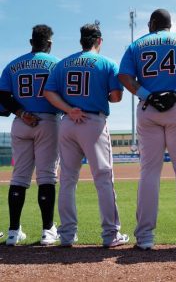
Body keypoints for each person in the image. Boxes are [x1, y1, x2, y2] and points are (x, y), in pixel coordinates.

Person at [118, 9, 176, 250]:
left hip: (148, 107)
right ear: (170, 25)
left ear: (151, 24)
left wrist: (147, 95)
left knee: (149, 171)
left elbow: (124, 76)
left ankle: (145, 237)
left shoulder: (136, 45)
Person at [43, 23, 129, 248]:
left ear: (81, 40)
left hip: (68, 122)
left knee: (67, 181)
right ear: (99, 40)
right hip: (93, 123)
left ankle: (67, 235)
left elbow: (49, 92)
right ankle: (111, 235)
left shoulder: (62, 64)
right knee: (103, 179)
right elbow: (117, 97)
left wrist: (69, 109)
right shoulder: (107, 63)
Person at [0, 25, 60, 246]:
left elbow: (3, 95)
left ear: (31, 41)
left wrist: (22, 113)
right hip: (48, 121)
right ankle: (47, 231)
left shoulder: (13, 65)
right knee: (46, 177)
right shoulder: (56, 63)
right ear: (49, 43)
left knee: (18, 178)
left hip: (21, 121)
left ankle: (13, 232)